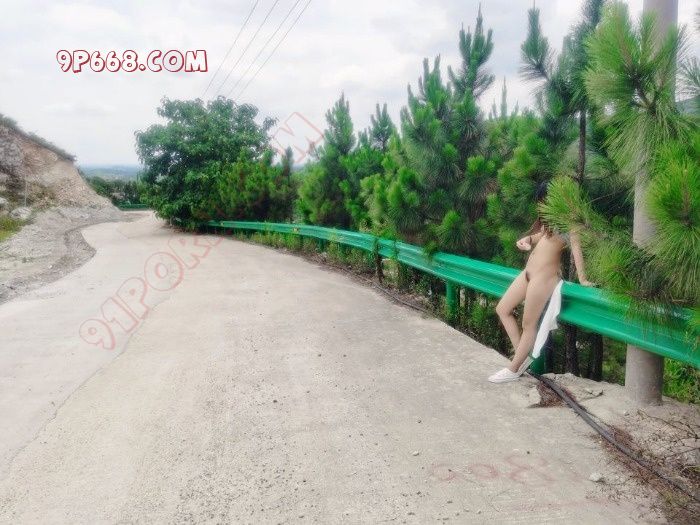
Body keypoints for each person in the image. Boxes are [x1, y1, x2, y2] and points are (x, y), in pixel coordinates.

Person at [488, 182, 594, 383]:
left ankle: (513, 369)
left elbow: (576, 249)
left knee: (528, 324)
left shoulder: (570, 221)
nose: (542, 205)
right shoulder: (552, 220)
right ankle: (521, 359)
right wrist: (527, 239)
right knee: (502, 309)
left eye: (544, 200)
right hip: (528, 273)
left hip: (544, 278)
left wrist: (583, 279)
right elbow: (542, 236)